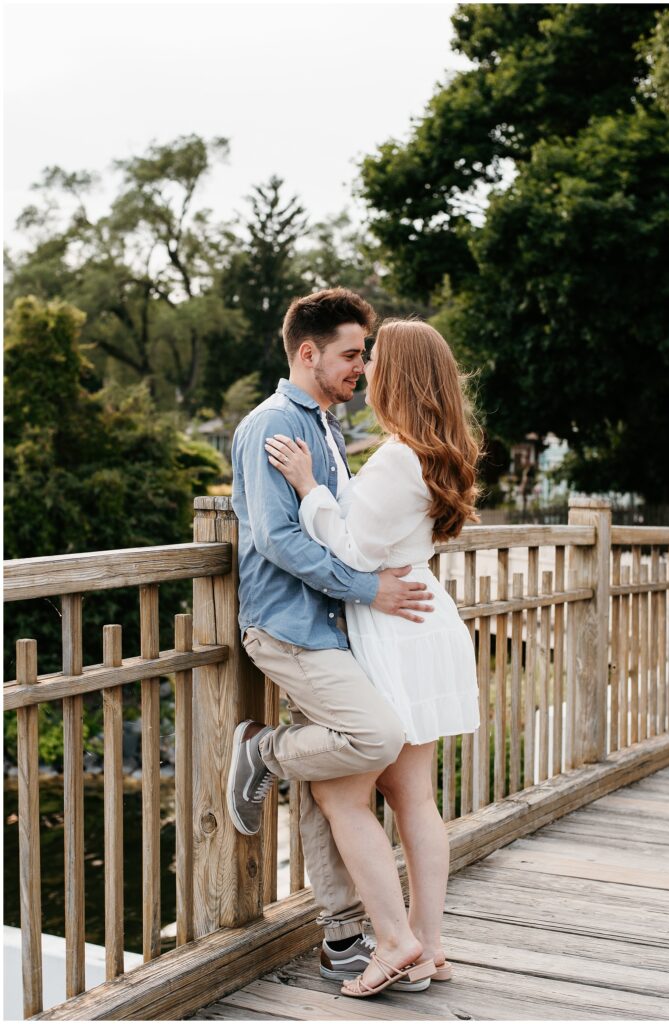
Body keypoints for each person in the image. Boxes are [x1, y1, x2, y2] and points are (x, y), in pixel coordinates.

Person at [262, 318, 482, 998]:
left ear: (400, 375)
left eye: (377, 359)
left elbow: (352, 551)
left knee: (342, 791)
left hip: (395, 628)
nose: (368, 368)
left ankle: (394, 942)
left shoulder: (397, 456)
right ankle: (429, 948)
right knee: (412, 796)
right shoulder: (437, 451)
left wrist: (308, 489)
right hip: (420, 617)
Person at [227, 289, 438, 994]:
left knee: (338, 781)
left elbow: (342, 525)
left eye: (364, 355)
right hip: (286, 627)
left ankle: (345, 935)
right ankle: (262, 749)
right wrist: (369, 588)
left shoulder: (325, 427)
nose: (361, 367)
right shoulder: (270, 427)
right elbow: (276, 539)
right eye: (351, 354)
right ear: (307, 352)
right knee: (373, 738)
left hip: (331, 628)